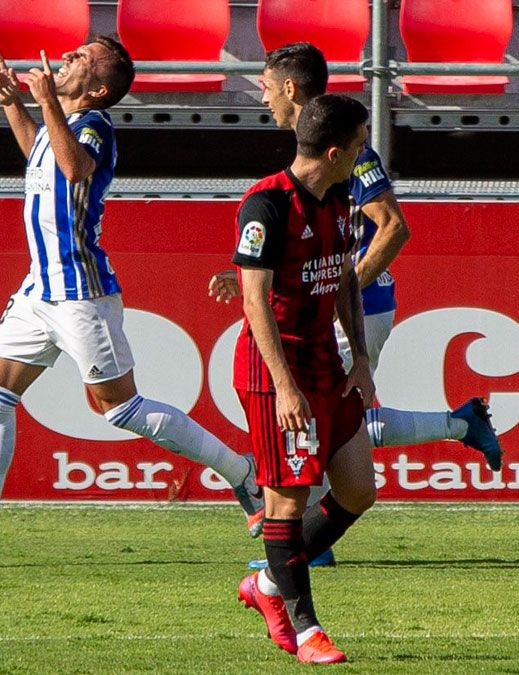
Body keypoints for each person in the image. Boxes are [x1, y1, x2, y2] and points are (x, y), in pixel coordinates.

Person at [0, 38, 262, 560]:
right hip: (38, 289)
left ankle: (243, 473)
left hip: (80, 291)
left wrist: (46, 100)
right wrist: (13, 101)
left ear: (97, 88)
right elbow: (43, 157)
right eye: (73, 50)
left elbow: (75, 170)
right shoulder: (64, 125)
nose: (69, 57)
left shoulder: (94, 125)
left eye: (83, 58)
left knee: (120, 410)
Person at [209, 43, 503, 563]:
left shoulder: (350, 153)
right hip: (330, 304)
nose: (263, 96)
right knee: (334, 421)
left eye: (268, 86)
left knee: (322, 419)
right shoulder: (309, 162)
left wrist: (325, 290)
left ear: (292, 89)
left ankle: (301, 549)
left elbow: (392, 226)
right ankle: (459, 425)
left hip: (354, 306)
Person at [233, 95, 375, 664]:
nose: (366, 152)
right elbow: (254, 299)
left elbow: (342, 279)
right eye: (362, 143)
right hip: (278, 375)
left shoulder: (340, 196)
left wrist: (360, 355)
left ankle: (268, 585)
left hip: (328, 366)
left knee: (358, 490)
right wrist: (284, 388)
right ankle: (305, 629)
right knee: (287, 501)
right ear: (336, 151)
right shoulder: (265, 204)